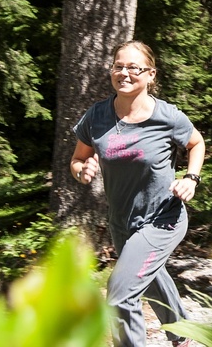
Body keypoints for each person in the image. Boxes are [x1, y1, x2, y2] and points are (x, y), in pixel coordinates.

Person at [70, 40, 204, 347]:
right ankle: (183, 337)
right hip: (122, 221)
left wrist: (191, 179)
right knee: (153, 279)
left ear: (150, 75)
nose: (124, 73)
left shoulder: (167, 117)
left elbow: (196, 143)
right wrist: (81, 170)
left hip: (162, 219)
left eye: (134, 67)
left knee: (120, 294)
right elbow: (78, 159)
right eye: (119, 66)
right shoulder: (97, 116)